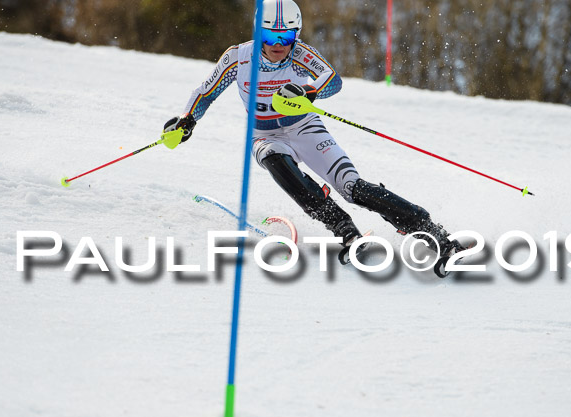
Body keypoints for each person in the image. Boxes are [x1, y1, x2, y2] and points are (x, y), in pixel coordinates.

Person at [165, 0, 464, 267]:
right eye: (270, 36)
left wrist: (309, 91)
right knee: (275, 160)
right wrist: (187, 120)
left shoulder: (300, 54)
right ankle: (344, 229)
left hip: (305, 127)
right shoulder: (238, 58)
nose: (279, 44)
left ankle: (434, 233)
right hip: (265, 135)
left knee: (352, 188)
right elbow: (205, 93)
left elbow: (332, 79)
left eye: (287, 36)